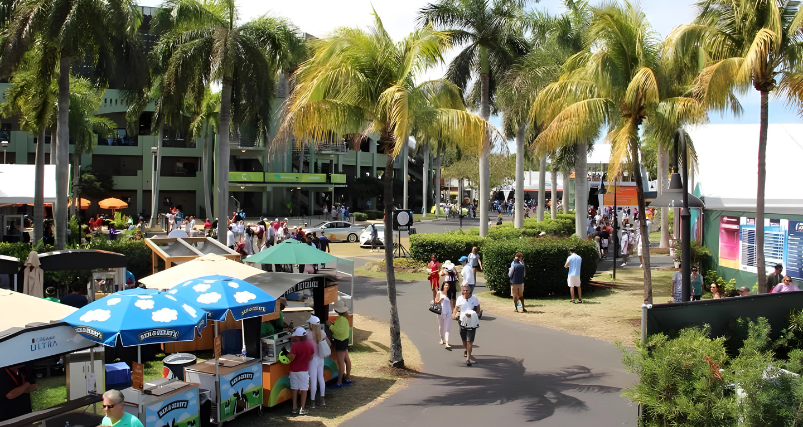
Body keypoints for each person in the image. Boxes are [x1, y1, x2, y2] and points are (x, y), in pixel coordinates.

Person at [286, 327, 314, 415]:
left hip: (293, 370)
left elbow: (292, 358)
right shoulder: (310, 345)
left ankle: (294, 408)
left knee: (295, 389)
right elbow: (311, 358)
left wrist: (286, 353)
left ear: (298, 336)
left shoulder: (295, 345)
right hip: (304, 371)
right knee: (304, 389)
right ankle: (302, 408)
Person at [306, 315, 330, 409]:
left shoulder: (307, 334)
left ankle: (312, 401)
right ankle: (322, 399)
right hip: (321, 358)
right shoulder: (322, 333)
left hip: (312, 360)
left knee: (313, 380)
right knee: (321, 378)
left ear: (310, 325)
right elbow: (329, 343)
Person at [328, 300, 352, 388]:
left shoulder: (340, 319)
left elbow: (338, 331)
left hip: (340, 341)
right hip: (345, 340)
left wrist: (330, 325)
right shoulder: (345, 317)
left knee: (340, 362)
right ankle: (347, 378)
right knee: (346, 360)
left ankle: (339, 382)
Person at [455, 284, 481, 366]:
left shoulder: (474, 299)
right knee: (464, 340)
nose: (465, 292)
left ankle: (468, 359)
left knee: (470, 341)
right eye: (464, 290)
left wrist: (472, 314)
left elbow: (478, 309)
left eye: (467, 290)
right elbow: (456, 308)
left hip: (471, 322)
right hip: (462, 321)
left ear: (470, 291)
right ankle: (467, 350)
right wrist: (454, 314)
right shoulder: (459, 299)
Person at [435, 282, 452, 349]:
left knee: (447, 327)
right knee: (441, 326)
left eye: (448, 285)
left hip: (448, 311)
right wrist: (440, 300)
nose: (447, 286)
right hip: (441, 311)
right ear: (443, 286)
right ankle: (442, 339)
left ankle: (447, 342)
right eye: (446, 285)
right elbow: (436, 301)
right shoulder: (439, 292)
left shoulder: (449, 294)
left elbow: (452, 303)